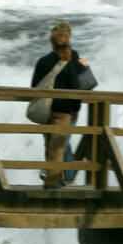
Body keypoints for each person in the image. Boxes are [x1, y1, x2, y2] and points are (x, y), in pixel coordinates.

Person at [31, 21, 90, 188]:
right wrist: (75, 108)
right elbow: (76, 88)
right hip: (64, 111)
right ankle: (55, 181)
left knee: (51, 145)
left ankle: (60, 177)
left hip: (45, 110)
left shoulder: (43, 61)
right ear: (68, 39)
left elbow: (34, 86)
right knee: (58, 146)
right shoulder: (71, 60)